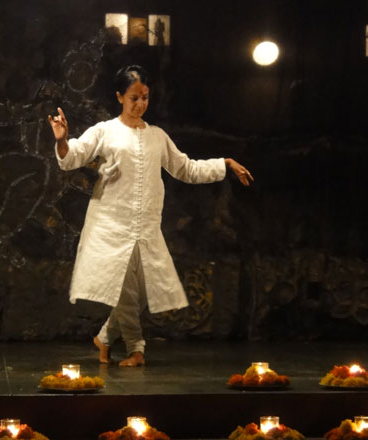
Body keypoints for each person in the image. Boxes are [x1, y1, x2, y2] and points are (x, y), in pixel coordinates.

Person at [48, 65, 253, 367]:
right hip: (110, 225)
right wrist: (62, 140)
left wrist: (224, 164)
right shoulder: (105, 131)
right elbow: (71, 158)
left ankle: (105, 337)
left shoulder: (157, 136)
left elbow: (186, 168)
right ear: (120, 97)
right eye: (134, 98)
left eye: (145, 97)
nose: (140, 104)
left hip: (145, 226)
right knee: (126, 289)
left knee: (143, 290)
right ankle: (136, 349)